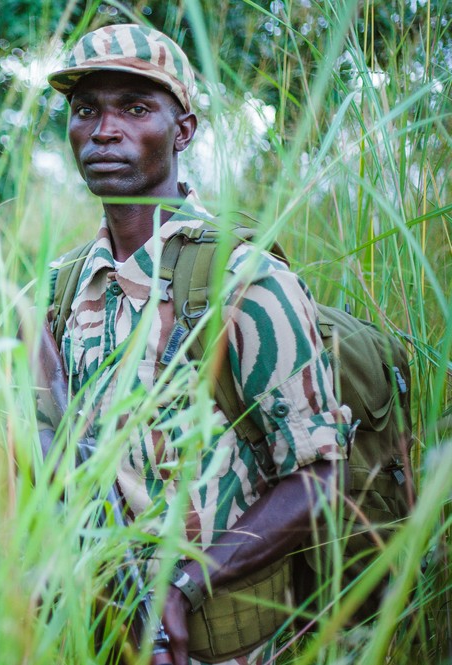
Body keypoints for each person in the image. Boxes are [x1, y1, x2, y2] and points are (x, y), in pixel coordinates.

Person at [38, 24, 353, 665]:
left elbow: (320, 475)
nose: (104, 131)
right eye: (85, 110)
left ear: (182, 131)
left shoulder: (246, 277)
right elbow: (56, 455)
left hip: (231, 641)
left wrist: (180, 587)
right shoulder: (65, 286)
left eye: (134, 108)